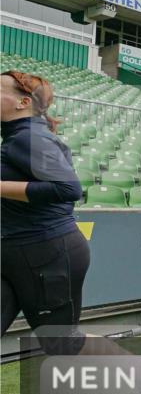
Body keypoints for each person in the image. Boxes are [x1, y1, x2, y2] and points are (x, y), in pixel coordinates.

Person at [1, 70, 90, 355]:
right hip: (16, 253)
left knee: (62, 348)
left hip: (45, 255)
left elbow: (68, 189)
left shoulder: (28, 138)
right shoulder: (19, 135)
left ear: (22, 103)